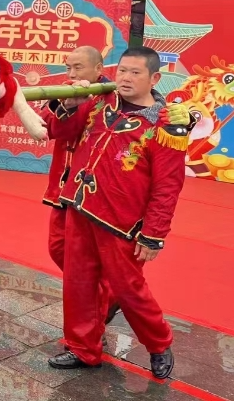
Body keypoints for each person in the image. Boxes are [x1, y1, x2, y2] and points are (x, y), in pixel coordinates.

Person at [44, 46, 192, 379]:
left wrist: (154, 235)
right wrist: (70, 103)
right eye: (122, 70)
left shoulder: (167, 125)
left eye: (135, 72)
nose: (125, 78)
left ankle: (158, 343)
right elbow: (61, 132)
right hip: (80, 208)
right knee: (78, 283)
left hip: (123, 224)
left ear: (155, 78)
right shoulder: (99, 102)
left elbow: (168, 187)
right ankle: (83, 348)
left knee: (129, 289)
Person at [41, 46, 119, 326]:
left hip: (93, 191)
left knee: (86, 259)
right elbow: (52, 129)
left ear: (98, 69)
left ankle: (94, 314)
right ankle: (107, 296)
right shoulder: (65, 91)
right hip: (63, 185)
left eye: (79, 68)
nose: (71, 74)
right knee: (57, 248)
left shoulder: (113, 97)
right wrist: (69, 104)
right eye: (68, 67)